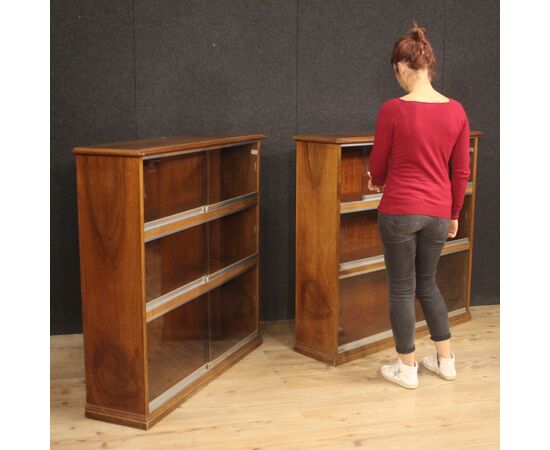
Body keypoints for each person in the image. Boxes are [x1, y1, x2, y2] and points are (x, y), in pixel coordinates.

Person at [368, 23, 471, 389]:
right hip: (439, 213)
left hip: (400, 210)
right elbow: (461, 170)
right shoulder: (457, 111)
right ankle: (445, 362)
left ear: (402, 67)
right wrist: (454, 213)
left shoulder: (392, 110)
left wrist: (377, 180)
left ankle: (407, 368)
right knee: (428, 284)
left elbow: (378, 165)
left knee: (401, 288)